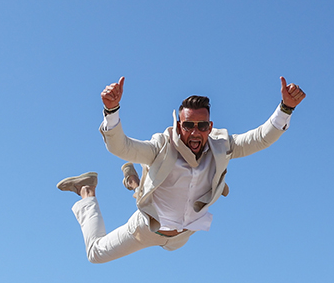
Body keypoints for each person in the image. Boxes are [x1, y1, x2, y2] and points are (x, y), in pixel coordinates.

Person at [59, 76, 306, 263]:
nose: (195, 132)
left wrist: (286, 108)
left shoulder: (222, 146)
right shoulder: (161, 145)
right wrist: (111, 112)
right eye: (188, 125)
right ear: (178, 125)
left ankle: (133, 180)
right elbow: (120, 147)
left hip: (182, 236)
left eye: (201, 126)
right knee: (96, 254)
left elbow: (260, 138)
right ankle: (87, 189)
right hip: (146, 229)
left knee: (146, 189)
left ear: (210, 127)